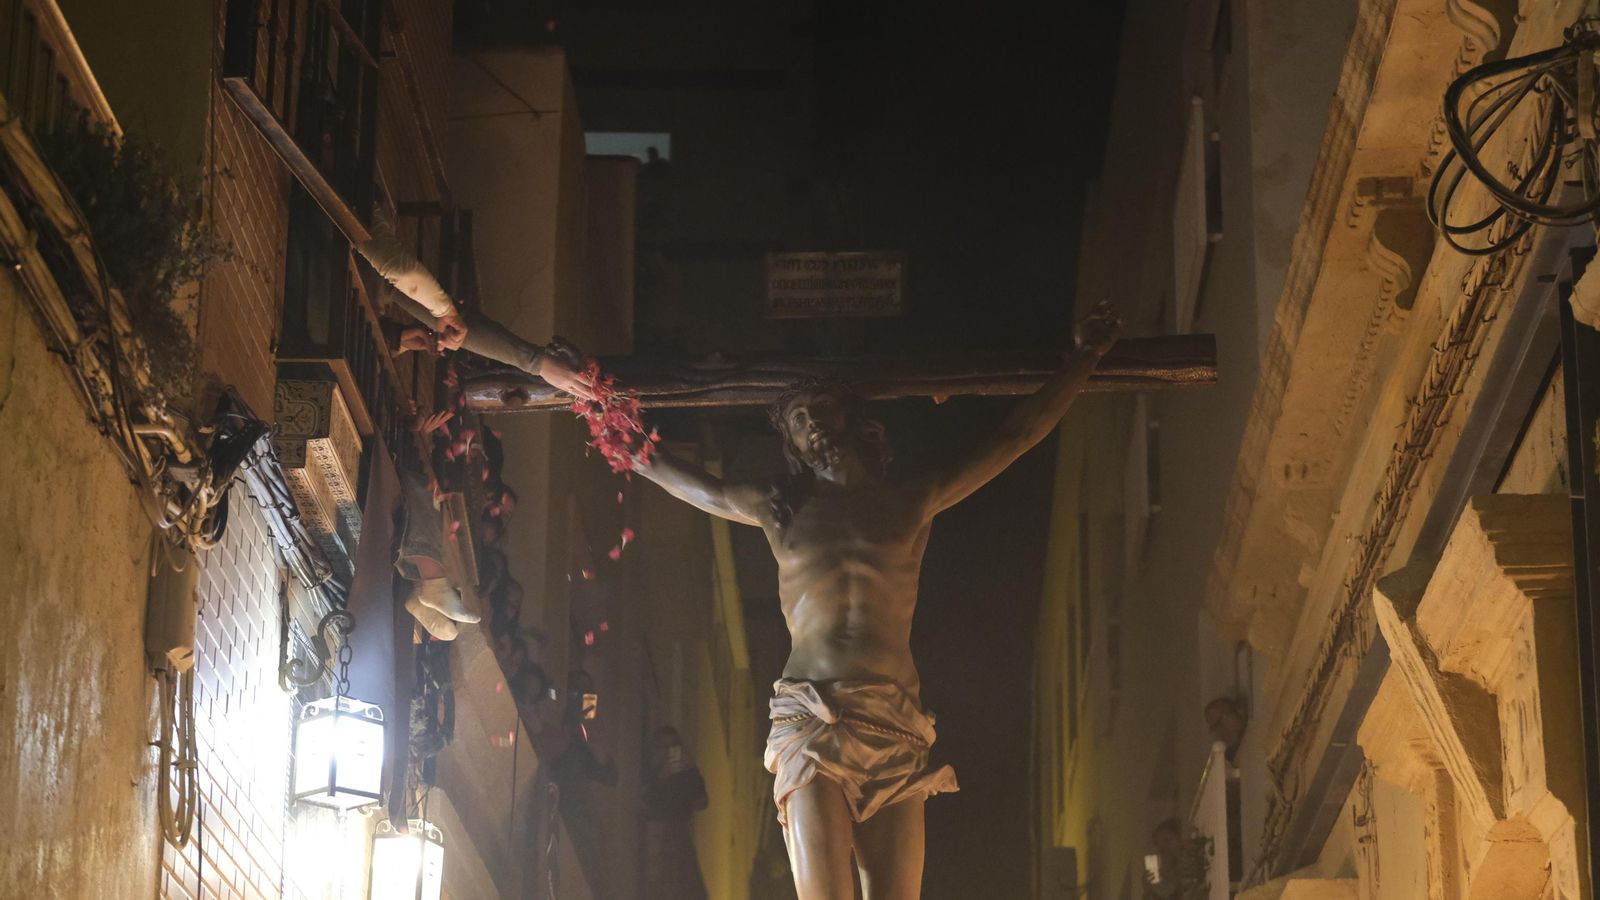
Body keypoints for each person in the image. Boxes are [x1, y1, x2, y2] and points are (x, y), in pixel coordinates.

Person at [631, 304, 1123, 899]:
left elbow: (1016, 437)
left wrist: (1085, 359)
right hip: (812, 719)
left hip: (892, 723)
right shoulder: (779, 509)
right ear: (790, 443)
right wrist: (597, 410)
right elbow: (682, 479)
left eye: (821, 408)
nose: (812, 423)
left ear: (852, 416)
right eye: (798, 419)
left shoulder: (913, 501)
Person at [357, 212, 595, 399]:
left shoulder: (378, 282)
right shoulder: (356, 210)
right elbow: (404, 276)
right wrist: (535, 362)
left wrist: (396, 337)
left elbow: (400, 287)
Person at [1203, 697, 1248, 762]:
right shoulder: (1228, 755)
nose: (1218, 731)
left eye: (1218, 723)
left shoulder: (1255, 734)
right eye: (1214, 727)